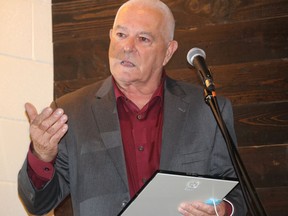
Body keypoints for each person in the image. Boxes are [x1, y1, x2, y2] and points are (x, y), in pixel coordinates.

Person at [18, 0, 247, 215]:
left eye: (143, 39)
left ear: (168, 51)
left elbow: (237, 192)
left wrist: (222, 210)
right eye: (120, 34)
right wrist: (41, 156)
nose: (127, 47)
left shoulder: (206, 109)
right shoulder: (72, 112)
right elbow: (38, 204)